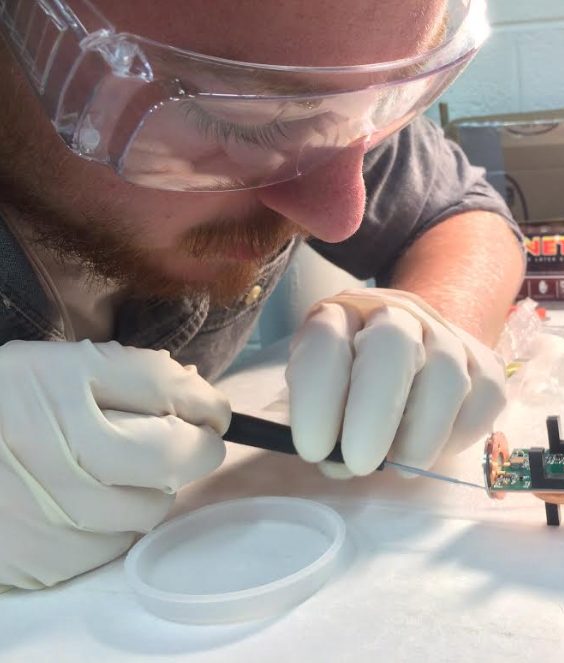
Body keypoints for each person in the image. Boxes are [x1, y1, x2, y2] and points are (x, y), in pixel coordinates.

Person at [0, 0, 525, 590]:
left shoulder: (327, 71)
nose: (338, 216)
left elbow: (458, 209)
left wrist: (438, 317)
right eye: (244, 125)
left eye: (385, 105)